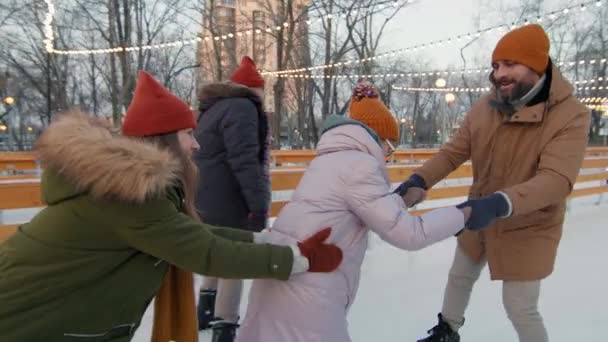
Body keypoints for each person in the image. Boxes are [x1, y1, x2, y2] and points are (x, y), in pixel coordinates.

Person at [0, 71, 343, 342]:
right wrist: (297, 259)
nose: (196, 145)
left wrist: (266, 241)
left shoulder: (128, 189)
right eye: (187, 134)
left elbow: (193, 234)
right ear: (164, 140)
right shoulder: (128, 197)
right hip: (27, 321)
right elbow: (206, 253)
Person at [235, 81, 480, 342]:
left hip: (284, 282)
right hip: (308, 295)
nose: (388, 156)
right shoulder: (360, 165)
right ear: (376, 138)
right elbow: (409, 234)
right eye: (390, 147)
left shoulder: (331, 159)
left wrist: (401, 201)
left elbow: (359, 208)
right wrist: (462, 214)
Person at [394, 25, 590, 342]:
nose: (499, 74)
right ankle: (447, 331)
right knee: (459, 275)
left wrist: (500, 203)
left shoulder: (570, 115)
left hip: (528, 224)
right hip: (480, 213)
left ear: (536, 64)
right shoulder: (487, 107)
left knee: (519, 306)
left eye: (510, 64)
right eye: (496, 66)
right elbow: (454, 151)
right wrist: (419, 180)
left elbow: (556, 180)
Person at [193, 56, 270, 338]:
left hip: (204, 196)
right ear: (254, 90)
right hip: (229, 198)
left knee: (216, 254)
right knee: (234, 262)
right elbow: (246, 161)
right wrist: (258, 207)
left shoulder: (212, 108)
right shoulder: (243, 108)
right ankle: (225, 327)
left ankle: (205, 311)